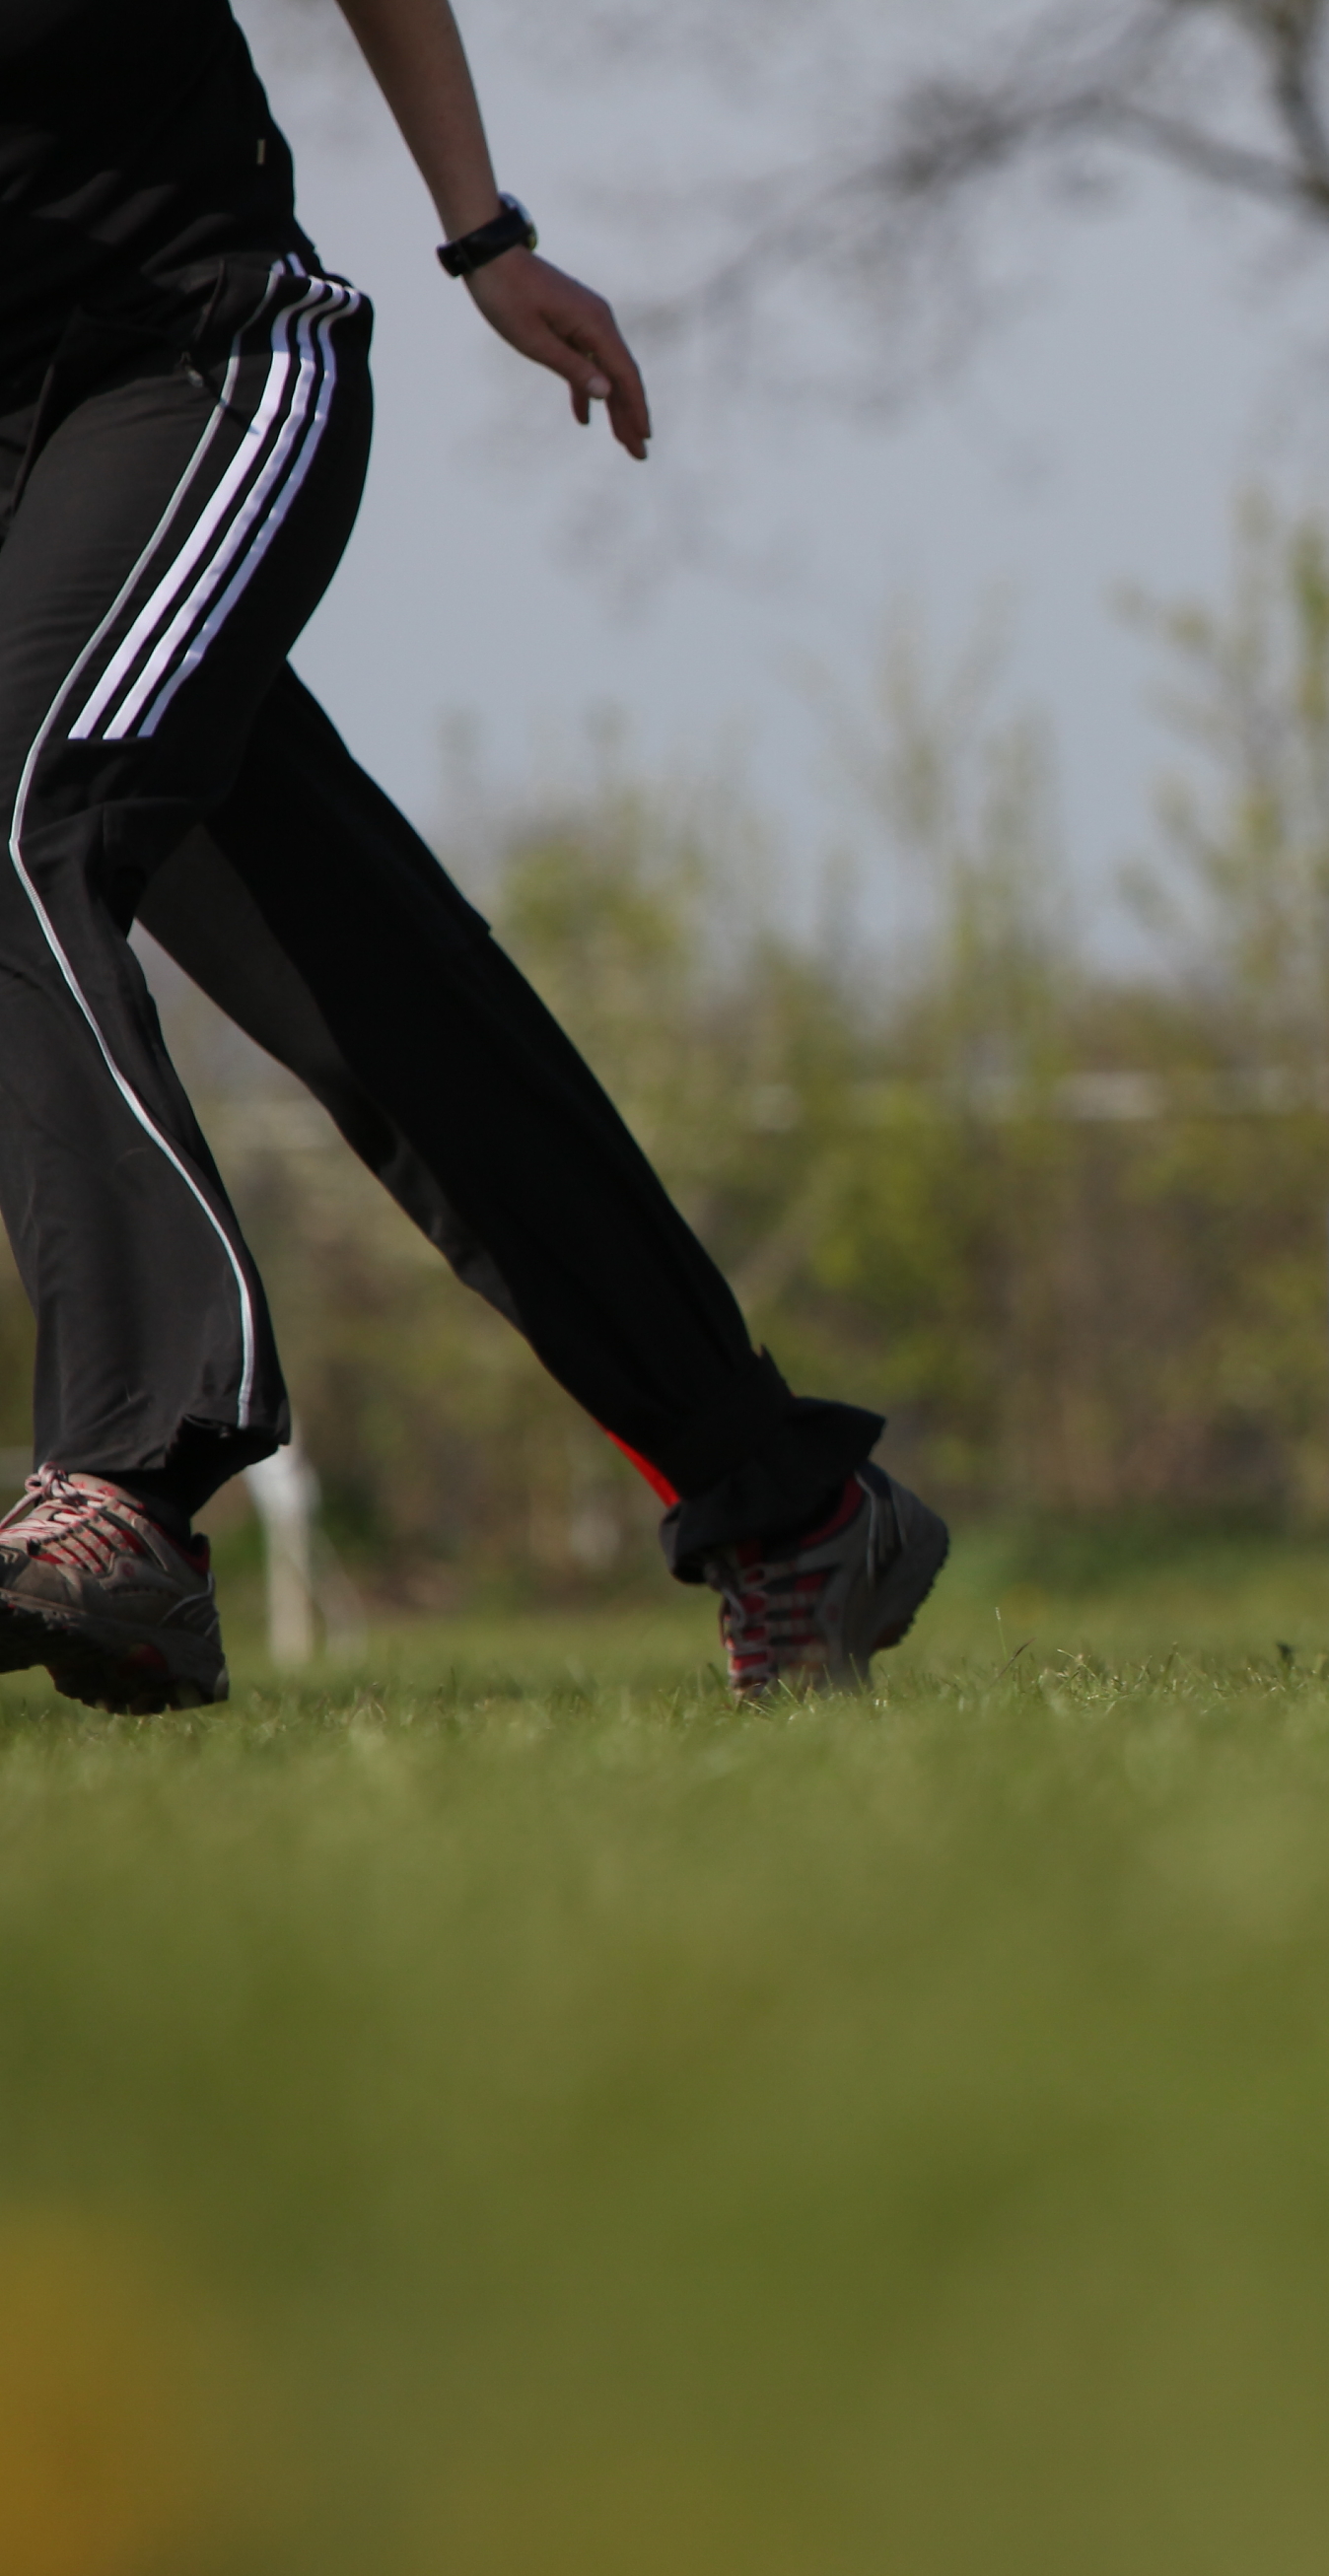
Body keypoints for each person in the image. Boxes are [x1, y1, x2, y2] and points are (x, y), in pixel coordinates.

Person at [0, 0, 944, 1709]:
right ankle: (790, 1502)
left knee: (12, 835)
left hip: (201, 366)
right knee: (378, 999)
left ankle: (131, 1469)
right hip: (17, 479)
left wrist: (484, 230)